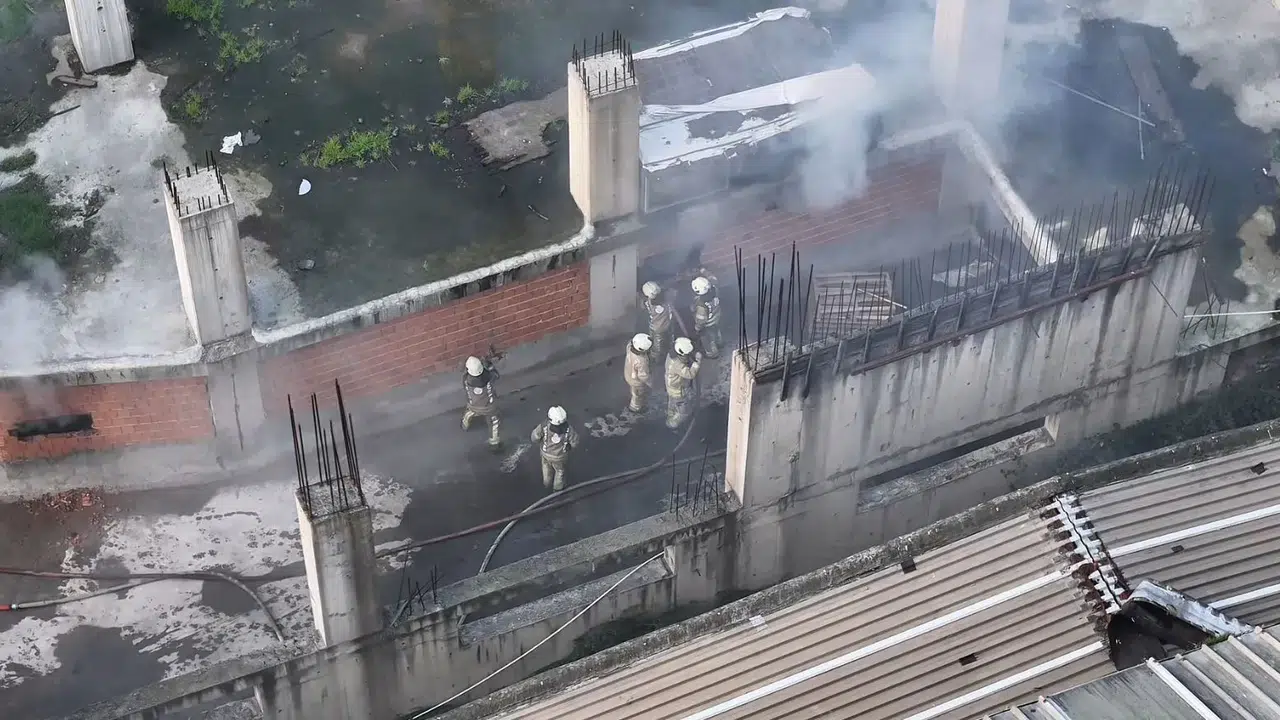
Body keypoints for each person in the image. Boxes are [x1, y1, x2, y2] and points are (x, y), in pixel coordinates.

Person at [531, 406, 579, 491]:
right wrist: (570, 447)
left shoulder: (544, 425)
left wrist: (538, 441)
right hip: (560, 456)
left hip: (545, 453)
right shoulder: (568, 429)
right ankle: (557, 489)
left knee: (546, 467)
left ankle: (547, 482)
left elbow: (535, 437)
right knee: (560, 471)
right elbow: (575, 442)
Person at [461, 355, 501, 447]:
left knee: (470, 412)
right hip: (489, 408)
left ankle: (465, 424)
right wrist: (490, 366)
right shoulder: (489, 377)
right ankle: (494, 443)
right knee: (494, 422)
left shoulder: (465, 379)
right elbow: (496, 375)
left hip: (473, 405)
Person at [665, 337, 702, 429]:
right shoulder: (678, 365)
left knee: (672, 403)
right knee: (683, 412)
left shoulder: (671, 355)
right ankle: (673, 424)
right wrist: (697, 363)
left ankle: (670, 415)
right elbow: (690, 374)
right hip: (678, 392)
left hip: (671, 388)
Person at [691, 275, 722, 359]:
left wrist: (697, 328)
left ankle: (712, 354)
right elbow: (714, 280)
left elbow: (701, 320)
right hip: (716, 317)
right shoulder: (714, 290)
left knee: (708, 340)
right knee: (717, 332)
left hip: (708, 324)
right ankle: (720, 343)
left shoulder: (702, 306)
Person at [641, 281, 672, 360]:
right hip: (662, 327)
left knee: (652, 340)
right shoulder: (663, 304)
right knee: (658, 344)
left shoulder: (647, 302)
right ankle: (657, 358)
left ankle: (652, 354)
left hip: (652, 324)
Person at [623, 333, 654, 413]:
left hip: (628, 373)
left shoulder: (629, 347)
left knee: (633, 390)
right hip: (636, 381)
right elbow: (643, 376)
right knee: (637, 395)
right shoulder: (641, 361)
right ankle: (635, 408)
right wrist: (651, 383)